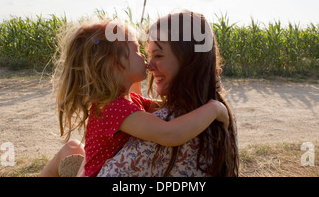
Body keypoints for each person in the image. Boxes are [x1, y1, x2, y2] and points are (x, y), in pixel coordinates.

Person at [40, 17, 229, 177]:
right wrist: (214, 108)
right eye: (138, 50)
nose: (146, 59)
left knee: (73, 146)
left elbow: (167, 107)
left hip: (92, 168)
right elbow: (169, 133)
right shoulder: (114, 108)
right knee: (72, 147)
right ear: (116, 63)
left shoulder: (124, 102)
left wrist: (205, 85)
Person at [98, 10, 239, 177]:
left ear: (189, 60)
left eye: (157, 55)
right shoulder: (222, 115)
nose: (149, 66)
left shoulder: (164, 127)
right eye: (148, 55)